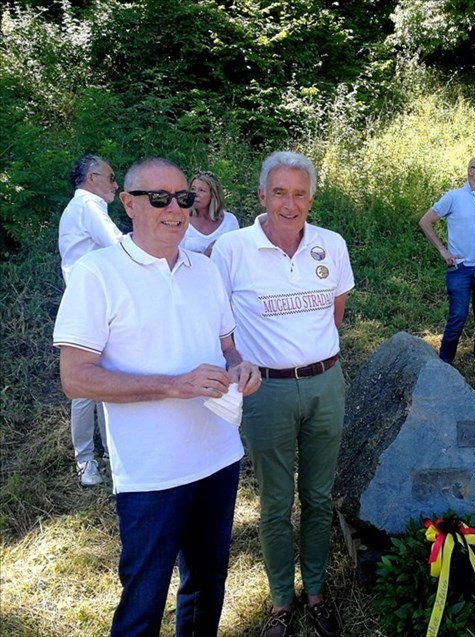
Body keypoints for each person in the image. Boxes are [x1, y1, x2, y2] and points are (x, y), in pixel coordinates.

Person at [53, 157, 261, 635]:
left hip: (218, 458)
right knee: (144, 600)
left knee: (207, 584)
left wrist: (242, 368)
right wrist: (175, 385)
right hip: (150, 472)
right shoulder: (97, 273)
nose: (175, 209)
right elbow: (76, 378)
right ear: (128, 203)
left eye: (184, 198)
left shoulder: (205, 271)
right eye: (159, 197)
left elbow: (228, 348)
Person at [211, 151, 354, 637]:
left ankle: (314, 591)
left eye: (299, 193)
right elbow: (218, 321)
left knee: (317, 495)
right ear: (261, 197)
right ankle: (279, 601)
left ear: (311, 198)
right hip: (265, 392)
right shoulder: (232, 249)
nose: (289, 204)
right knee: (275, 501)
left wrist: (308, 354)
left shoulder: (331, 245)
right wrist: (235, 360)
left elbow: (334, 314)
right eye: (279, 192)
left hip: (325, 384)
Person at [58, 154, 122, 487]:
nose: (115, 184)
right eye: (111, 177)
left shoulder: (83, 207)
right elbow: (118, 244)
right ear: (92, 178)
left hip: (96, 303)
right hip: (86, 306)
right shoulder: (88, 206)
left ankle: (108, 454)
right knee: (85, 387)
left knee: (103, 381)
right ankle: (85, 461)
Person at [419, 156, 475, 383]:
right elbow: (426, 221)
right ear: (470, 171)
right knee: (457, 317)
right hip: (460, 268)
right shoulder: (454, 197)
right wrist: (443, 250)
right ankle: (444, 364)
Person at [181, 170, 240, 255]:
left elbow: (237, 254)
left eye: (201, 190)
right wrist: (205, 255)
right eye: (193, 189)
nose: (195, 194)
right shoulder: (183, 220)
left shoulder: (230, 221)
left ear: (213, 195)